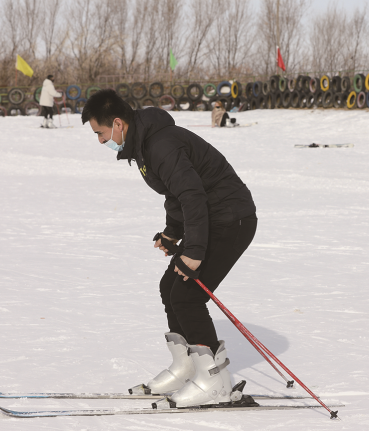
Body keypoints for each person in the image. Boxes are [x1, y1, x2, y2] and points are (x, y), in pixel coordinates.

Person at [81, 89, 257, 407]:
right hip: (211, 217)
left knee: (187, 296)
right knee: (169, 287)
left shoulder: (159, 145)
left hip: (232, 219)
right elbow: (176, 195)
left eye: (100, 132)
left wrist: (194, 251)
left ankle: (215, 381)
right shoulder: (145, 144)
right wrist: (172, 234)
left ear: (118, 123)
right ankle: (187, 365)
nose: (100, 140)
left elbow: (192, 196)